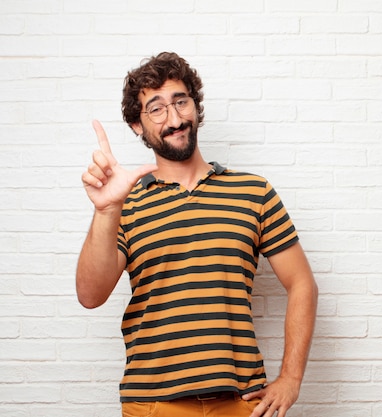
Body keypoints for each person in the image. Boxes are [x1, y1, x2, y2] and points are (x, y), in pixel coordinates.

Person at [76, 52, 318, 417]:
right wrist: (106, 210)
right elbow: (90, 295)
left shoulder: (254, 192)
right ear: (136, 126)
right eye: (156, 109)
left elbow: (302, 283)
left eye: (180, 102)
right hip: (153, 403)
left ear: (195, 105)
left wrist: (291, 378)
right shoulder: (125, 204)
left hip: (242, 403)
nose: (174, 119)